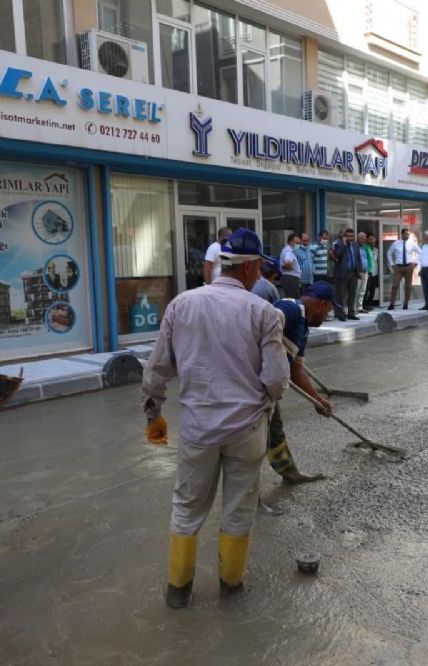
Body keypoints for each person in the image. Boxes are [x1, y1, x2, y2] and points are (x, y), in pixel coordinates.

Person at [141, 228, 288, 609]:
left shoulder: (181, 305)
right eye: (259, 267)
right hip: (247, 429)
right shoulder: (265, 313)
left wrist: (153, 411)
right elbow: (276, 379)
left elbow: (157, 368)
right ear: (252, 266)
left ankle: (177, 594)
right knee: (238, 508)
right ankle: (231, 589)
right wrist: (266, 404)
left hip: (197, 428)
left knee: (187, 508)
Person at [267, 282, 338, 484]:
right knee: (252, 444)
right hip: (250, 385)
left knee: (274, 430)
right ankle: (251, 498)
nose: (326, 318)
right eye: (329, 312)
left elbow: (295, 370)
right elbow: (260, 327)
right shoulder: (292, 309)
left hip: (266, 388)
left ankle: (290, 473)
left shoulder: (303, 328)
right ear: (323, 305)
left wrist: (317, 400)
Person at [332, 228, 363, 321]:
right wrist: (344, 245)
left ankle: (351, 313)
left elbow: (358, 259)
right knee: (341, 295)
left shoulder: (355, 245)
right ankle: (340, 314)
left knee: (352, 294)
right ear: (344, 237)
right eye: (348, 236)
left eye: (351, 236)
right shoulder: (338, 244)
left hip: (353, 273)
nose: (350, 238)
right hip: (342, 273)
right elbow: (336, 255)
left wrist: (360, 271)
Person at [387, 229, 415, 310]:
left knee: (407, 287)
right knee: (395, 285)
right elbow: (389, 253)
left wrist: (415, 262)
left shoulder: (411, 244)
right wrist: (392, 264)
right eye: (406, 234)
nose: (407, 236)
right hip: (398, 268)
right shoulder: (396, 243)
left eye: (408, 235)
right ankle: (392, 304)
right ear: (402, 234)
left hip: (409, 267)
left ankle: (406, 303)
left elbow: (420, 252)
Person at [279, 233, 301, 298]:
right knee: (292, 299)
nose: (298, 245)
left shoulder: (286, 250)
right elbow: (287, 263)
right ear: (290, 242)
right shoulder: (288, 251)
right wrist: (291, 268)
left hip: (289, 277)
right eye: (296, 243)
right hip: (291, 278)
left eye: (299, 243)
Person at [355, 232, 370, 314]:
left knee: (362, 291)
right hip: (358, 273)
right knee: (356, 291)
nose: (364, 240)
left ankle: (359, 307)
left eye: (364, 239)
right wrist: (358, 271)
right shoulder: (355, 248)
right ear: (358, 238)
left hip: (365, 272)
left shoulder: (364, 248)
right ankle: (354, 308)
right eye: (362, 238)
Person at [362, 231, 379, 309]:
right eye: (371, 239)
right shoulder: (365, 249)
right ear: (367, 240)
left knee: (372, 290)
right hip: (367, 272)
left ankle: (370, 304)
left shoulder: (376, 250)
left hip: (375, 272)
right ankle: (364, 304)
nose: (372, 241)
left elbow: (376, 261)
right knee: (366, 289)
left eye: (374, 239)